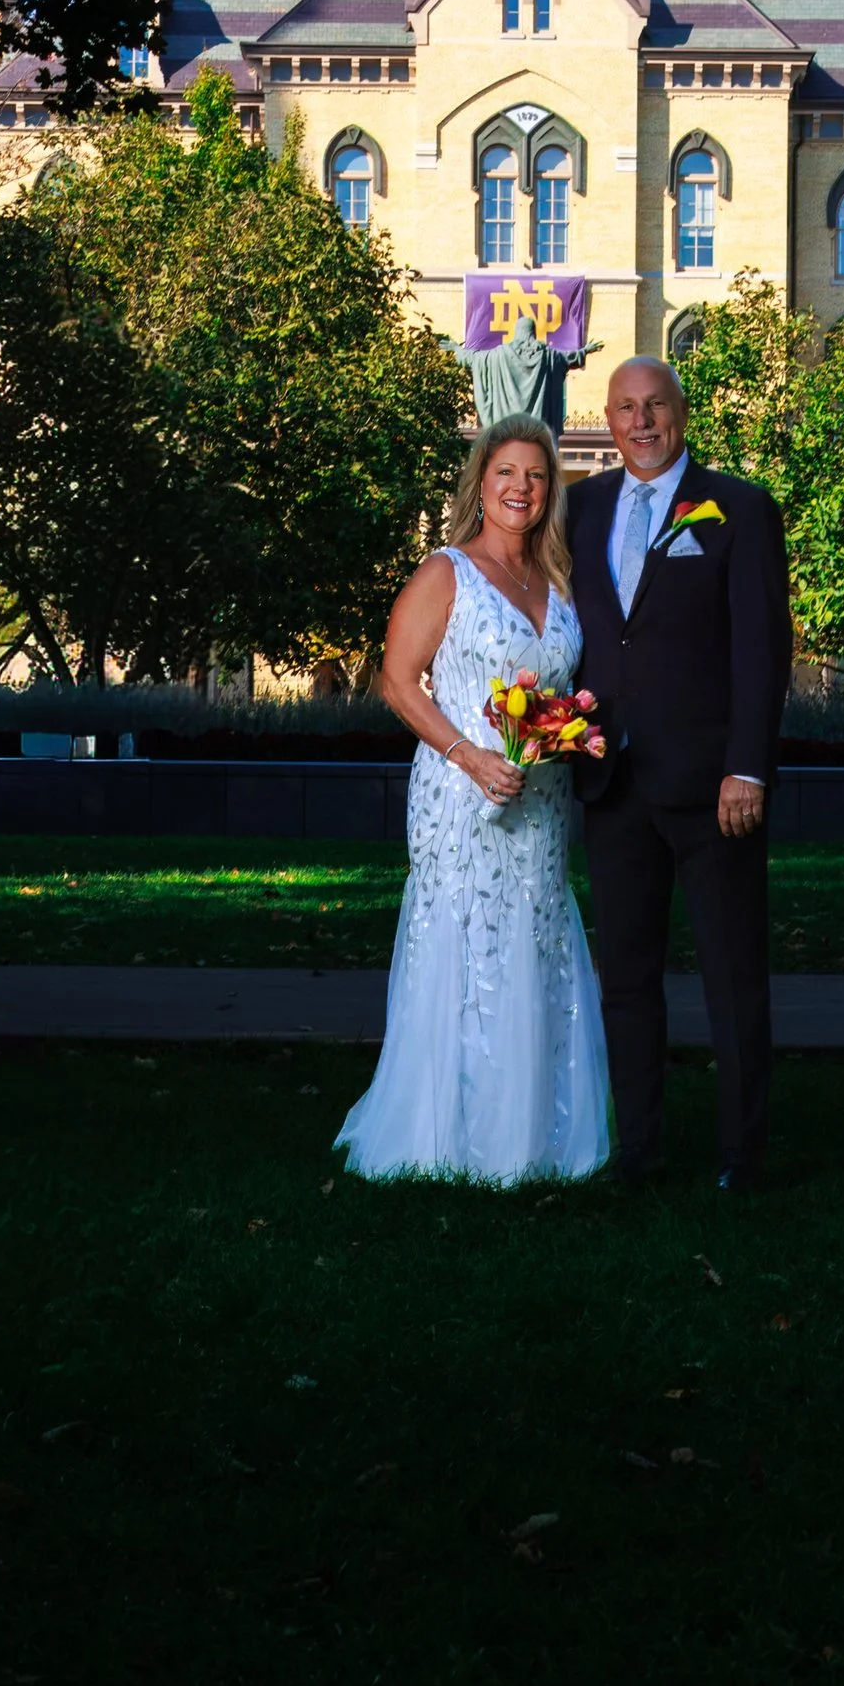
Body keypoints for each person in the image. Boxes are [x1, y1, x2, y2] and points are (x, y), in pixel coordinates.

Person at [336, 418, 611, 1184]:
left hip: (541, 801)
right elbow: (396, 680)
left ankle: (535, 1137)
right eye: (506, 473)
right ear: (480, 484)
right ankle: (442, 1140)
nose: (520, 487)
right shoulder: (445, 572)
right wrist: (468, 754)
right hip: (460, 800)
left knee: (534, 939)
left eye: (536, 475)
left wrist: (560, 734)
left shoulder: (559, 583)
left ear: (550, 489)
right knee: (466, 943)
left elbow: (555, 692)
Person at [567, 358, 791, 1190]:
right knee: (625, 981)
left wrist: (748, 768)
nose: (640, 421)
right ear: (610, 416)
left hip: (713, 789)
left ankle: (743, 1156)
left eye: (654, 404)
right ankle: (639, 1150)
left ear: (681, 412)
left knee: (733, 979)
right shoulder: (581, 507)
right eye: (624, 407)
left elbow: (762, 651)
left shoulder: (739, 507)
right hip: (611, 781)